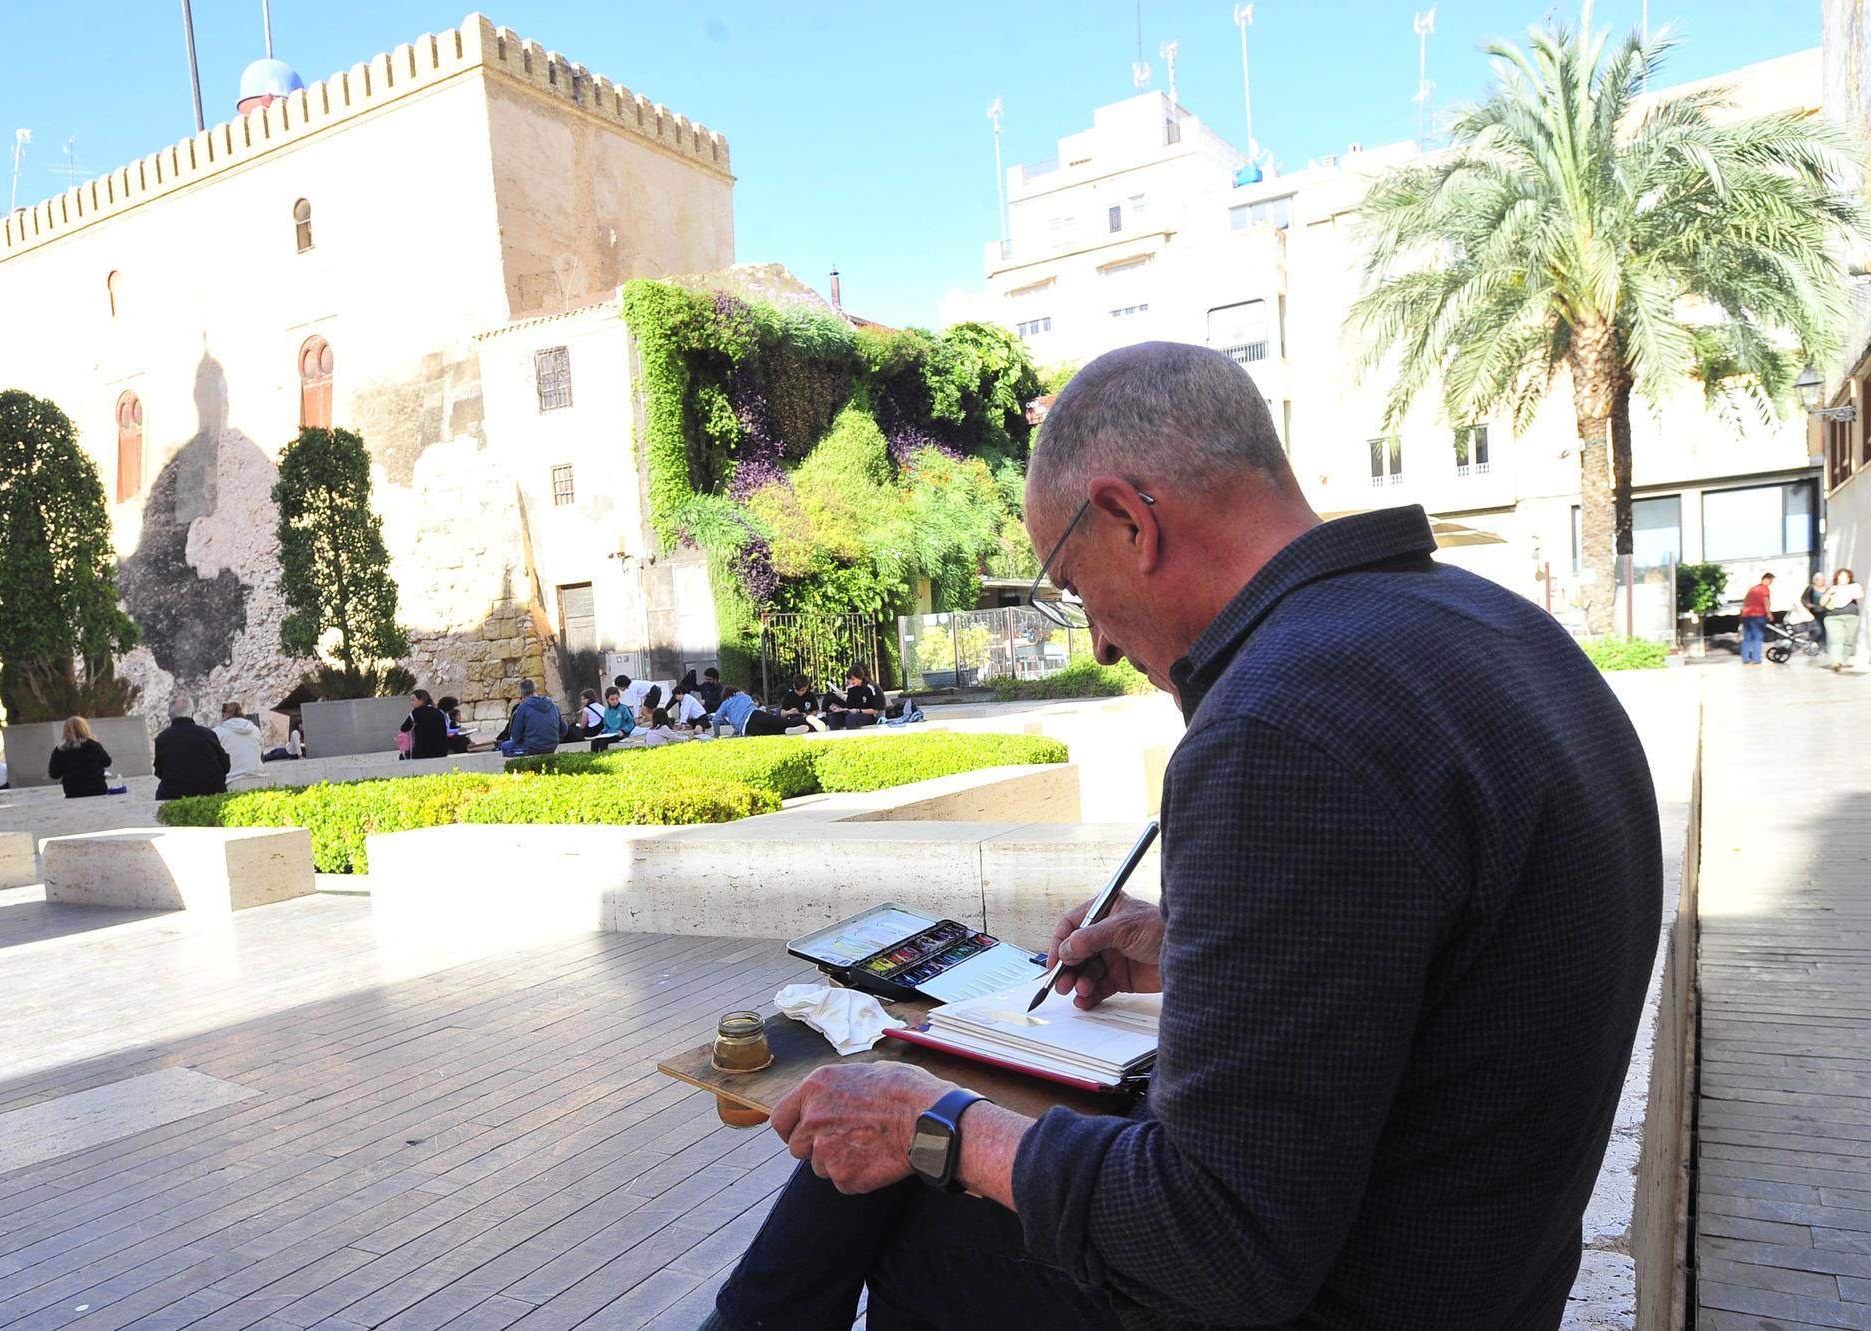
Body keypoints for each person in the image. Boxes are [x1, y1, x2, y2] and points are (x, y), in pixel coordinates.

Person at [705, 342, 1662, 1330]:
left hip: (1342, 1293)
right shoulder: (1498, 630)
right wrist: (1195, 950)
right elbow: (1445, 954)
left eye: (1076, 591)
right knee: (913, 1121)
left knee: (906, 1170)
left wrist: (939, 1126)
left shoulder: (1278, 723)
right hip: (1477, 1272)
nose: (1102, 644)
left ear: (1127, 518)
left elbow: (1219, 1246)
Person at [153, 696, 229, 800]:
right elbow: (225, 765)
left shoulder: (162, 739)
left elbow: (159, 771)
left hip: (175, 794)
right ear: (192, 713)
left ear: (170, 715)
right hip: (212, 790)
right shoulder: (208, 734)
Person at [47, 716, 113, 799]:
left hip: (73, 792)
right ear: (85, 728)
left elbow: (54, 774)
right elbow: (107, 762)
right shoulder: (94, 745)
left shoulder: (60, 750)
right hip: (97, 789)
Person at [496, 679, 561, 756]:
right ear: (535, 690)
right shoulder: (553, 705)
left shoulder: (523, 708)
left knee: (505, 746)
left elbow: (515, 737)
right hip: (552, 745)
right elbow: (564, 729)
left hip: (531, 747)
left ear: (522, 694)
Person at [712, 686, 795, 738]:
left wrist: (717, 735)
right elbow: (744, 710)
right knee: (779, 722)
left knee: (770, 732)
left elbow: (716, 719)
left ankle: (785, 730)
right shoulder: (744, 696)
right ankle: (800, 723)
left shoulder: (726, 703)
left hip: (747, 727)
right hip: (755, 714)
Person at [213, 701, 265, 783]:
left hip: (231, 779)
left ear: (224, 715)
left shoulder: (217, 732)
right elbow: (261, 749)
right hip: (257, 775)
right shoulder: (255, 729)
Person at [823, 664, 884, 730]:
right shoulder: (852, 688)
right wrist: (840, 710)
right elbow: (849, 707)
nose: (851, 682)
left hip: (868, 715)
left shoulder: (871, 688)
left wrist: (858, 710)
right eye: (850, 680)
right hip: (853, 713)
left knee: (851, 719)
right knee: (834, 718)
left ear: (860, 677)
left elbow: (875, 710)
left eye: (853, 679)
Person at [1824, 568, 1861, 672]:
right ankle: (1837, 661)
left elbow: (1860, 594)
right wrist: (1829, 593)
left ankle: (1844, 661)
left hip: (1852, 616)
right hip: (1833, 617)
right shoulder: (1832, 588)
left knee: (1848, 640)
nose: (1844, 578)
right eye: (1841, 576)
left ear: (1849, 578)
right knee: (1837, 639)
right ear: (1837, 577)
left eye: (1846, 576)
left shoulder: (1854, 587)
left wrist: (1845, 591)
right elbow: (1822, 603)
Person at [398, 689, 450, 760]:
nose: (411, 703)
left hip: (423, 753)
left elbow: (404, 728)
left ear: (421, 700)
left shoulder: (416, 713)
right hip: (441, 752)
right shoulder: (439, 712)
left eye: (413, 700)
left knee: (402, 756)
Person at [1738, 572, 1774, 665]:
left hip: (1746, 615)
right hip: (1758, 615)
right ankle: (1756, 659)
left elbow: (1745, 602)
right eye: (1771, 581)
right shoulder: (1764, 589)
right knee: (1758, 637)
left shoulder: (1752, 589)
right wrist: (1769, 613)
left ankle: (1745, 659)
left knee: (1747, 637)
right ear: (1767, 579)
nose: (1771, 583)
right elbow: (1766, 601)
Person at [590, 686, 636, 752]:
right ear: (607, 700)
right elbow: (606, 726)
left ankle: (604, 757)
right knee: (594, 742)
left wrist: (623, 731)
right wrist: (602, 732)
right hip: (609, 733)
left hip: (620, 733)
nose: (614, 701)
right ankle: (594, 756)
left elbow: (631, 723)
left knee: (603, 742)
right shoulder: (606, 711)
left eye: (616, 699)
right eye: (612, 699)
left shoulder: (623, 708)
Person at [1800, 572, 1829, 649]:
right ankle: (1812, 644)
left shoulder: (1827, 589)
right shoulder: (1811, 588)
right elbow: (1803, 599)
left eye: (1823, 580)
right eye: (1820, 580)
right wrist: (1807, 604)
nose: (1822, 581)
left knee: (1824, 630)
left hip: (1825, 612)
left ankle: (1823, 647)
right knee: (1816, 629)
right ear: (1815, 580)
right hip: (1814, 612)